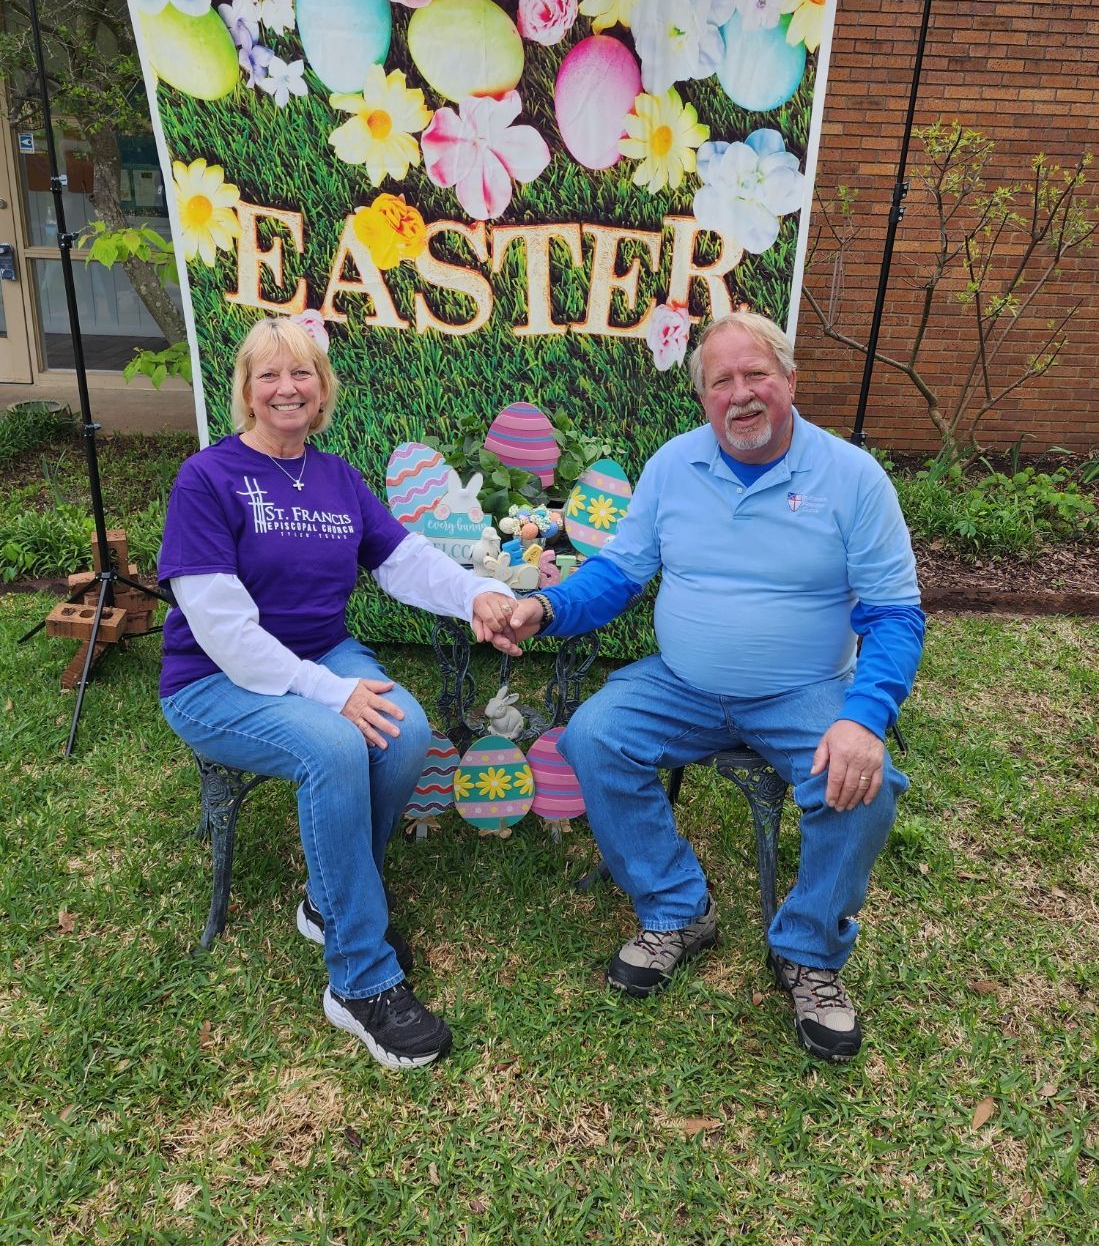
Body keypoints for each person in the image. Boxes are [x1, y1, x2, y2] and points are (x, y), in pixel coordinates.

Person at [502, 312, 924, 1062]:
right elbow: (619, 574)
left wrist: (863, 717)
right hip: (683, 683)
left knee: (869, 781)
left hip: (804, 690)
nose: (741, 393)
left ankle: (807, 950)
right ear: (701, 399)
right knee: (596, 735)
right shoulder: (674, 465)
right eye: (720, 380)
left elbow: (893, 615)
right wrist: (545, 605)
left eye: (756, 373)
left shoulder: (852, 477)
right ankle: (675, 909)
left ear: (789, 379)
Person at [158, 317, 518, 1070]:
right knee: (332, 743)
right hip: (214, 679)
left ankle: (329, 901)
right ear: (246, 392)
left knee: (405, 730)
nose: (286, 387)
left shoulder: (335, 476)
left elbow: (405, 560)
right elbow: (222, 628)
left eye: (302, 374)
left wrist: (479, 592)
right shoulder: (208, 478)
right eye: (269, 375)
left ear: (322, 390)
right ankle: (359, 979)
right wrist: (331, 693)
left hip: (319, 652)